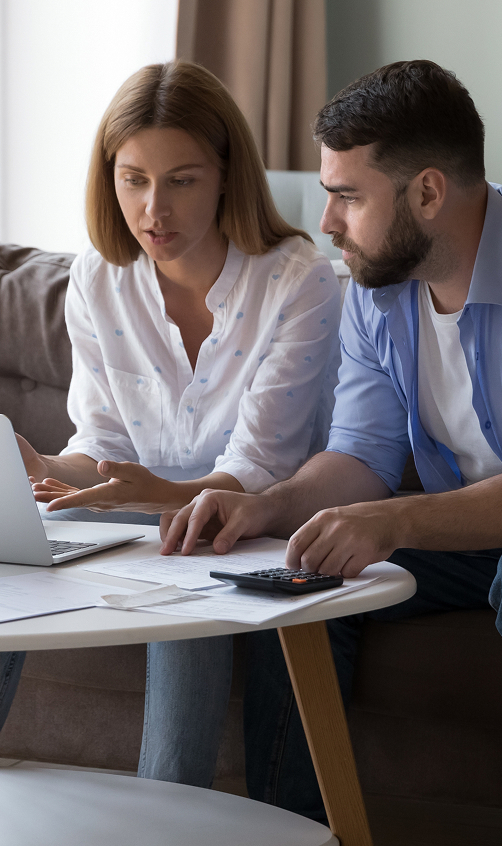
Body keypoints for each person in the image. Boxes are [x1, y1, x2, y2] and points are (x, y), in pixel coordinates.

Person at [160, 60, 502, 823]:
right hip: (466, 535)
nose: (327, 222)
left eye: (348, 196)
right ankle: (295, 831)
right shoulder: (379, 295)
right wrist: (266, 506)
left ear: (428, 193)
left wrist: (397, 519)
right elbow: (360, 456)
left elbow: (393, 505)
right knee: (301, 571)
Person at [0, 61, 341, 772]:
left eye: (181, 181)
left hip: (256, 517)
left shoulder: (298, 280)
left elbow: (259, 467)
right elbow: (102, 445)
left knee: (184, 552)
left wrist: (162, 498)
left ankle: (170, 802)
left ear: (225, 175)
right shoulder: (98, 278)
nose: (154, 210)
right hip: (147, 509)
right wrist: (39, 468)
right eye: (134, 180)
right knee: (11, 550)